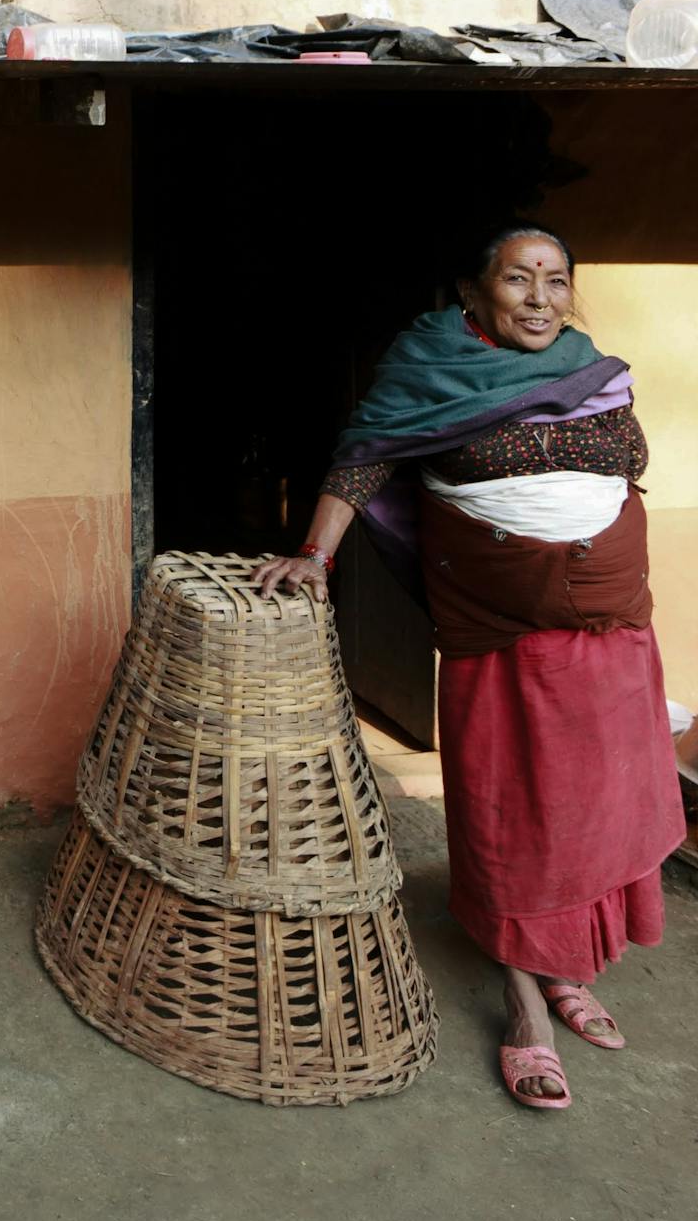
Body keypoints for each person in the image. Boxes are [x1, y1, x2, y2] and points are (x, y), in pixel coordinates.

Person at [253, 224, 684, 1111]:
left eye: (555, 281)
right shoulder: (431, 366)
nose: (539, 298)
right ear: (473, 290)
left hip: (610, 635)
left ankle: (570, 970)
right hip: (506, 643)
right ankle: (526, 1000)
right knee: (519, 813)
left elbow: (629, 465)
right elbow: (368, 455)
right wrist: (314, 555)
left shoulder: (589, 363)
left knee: (602, 809)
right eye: (518, 279)